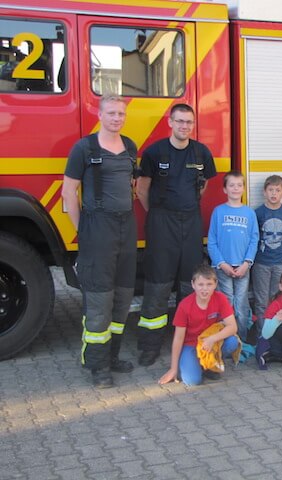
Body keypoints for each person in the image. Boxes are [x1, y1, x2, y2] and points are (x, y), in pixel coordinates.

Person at [61, 94, 138, 388]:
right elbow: (69, 194)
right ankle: (97, 366)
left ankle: (113, 355)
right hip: (97, 230)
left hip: (126, 228)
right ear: (100, 114)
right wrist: (85, 232)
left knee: (122, 298)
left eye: (121, 113)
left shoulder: (130, 146)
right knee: (99, 300)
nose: (117, 118)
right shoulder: (84, 148)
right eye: (111, 113)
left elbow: (131, 187)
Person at [135, 103, 216, 367]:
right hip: (161, 222)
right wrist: (160, 214)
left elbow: (203, 186)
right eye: (179, 121)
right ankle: (149, 347)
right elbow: (142, 189)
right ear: (170, 122)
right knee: (158, 285)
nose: (184, 126)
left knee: (189, 285)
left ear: (193, 125)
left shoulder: (201, 152)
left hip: (190, 223)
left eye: (189, 122)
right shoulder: (154, 152)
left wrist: (184, 210)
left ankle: (188, 343)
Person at [158, 265, 240, 386]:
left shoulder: (220, 298)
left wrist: (212, 339)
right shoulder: (184, 306)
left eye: (209, 284)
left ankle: (209, 366)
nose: (205, 289)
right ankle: (191, 363)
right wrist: (173, 368)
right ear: (193, 284)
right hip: (191, 345)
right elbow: (178, 338)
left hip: (210, 342)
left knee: (232, 341)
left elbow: (233, 327)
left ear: (215, 284)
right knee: (192, 381)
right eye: (200, 285)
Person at [207, 171, 259, 342]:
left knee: (241, 305)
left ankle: (242, 341)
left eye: (239, 185)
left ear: (244, 188)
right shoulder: (218, 211)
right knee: (227, 303)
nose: (236, 188)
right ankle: (228, 341)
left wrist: (246, 263)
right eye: (231, 185)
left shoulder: (249, 213)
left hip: (243, 267)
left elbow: (254, 239)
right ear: (224, 189)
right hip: (223, 267)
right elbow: (212, 240)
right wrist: (222, 264)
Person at [252, 175, 282, 331]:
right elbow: (252, 237)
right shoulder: (258, 213)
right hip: (261, 263)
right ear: (264, 192)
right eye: (270, 190)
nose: (274, 193)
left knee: (277, 298)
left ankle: (275, 330)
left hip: (280, 263)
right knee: (261, 300)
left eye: (277, 190)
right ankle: (262, 332)